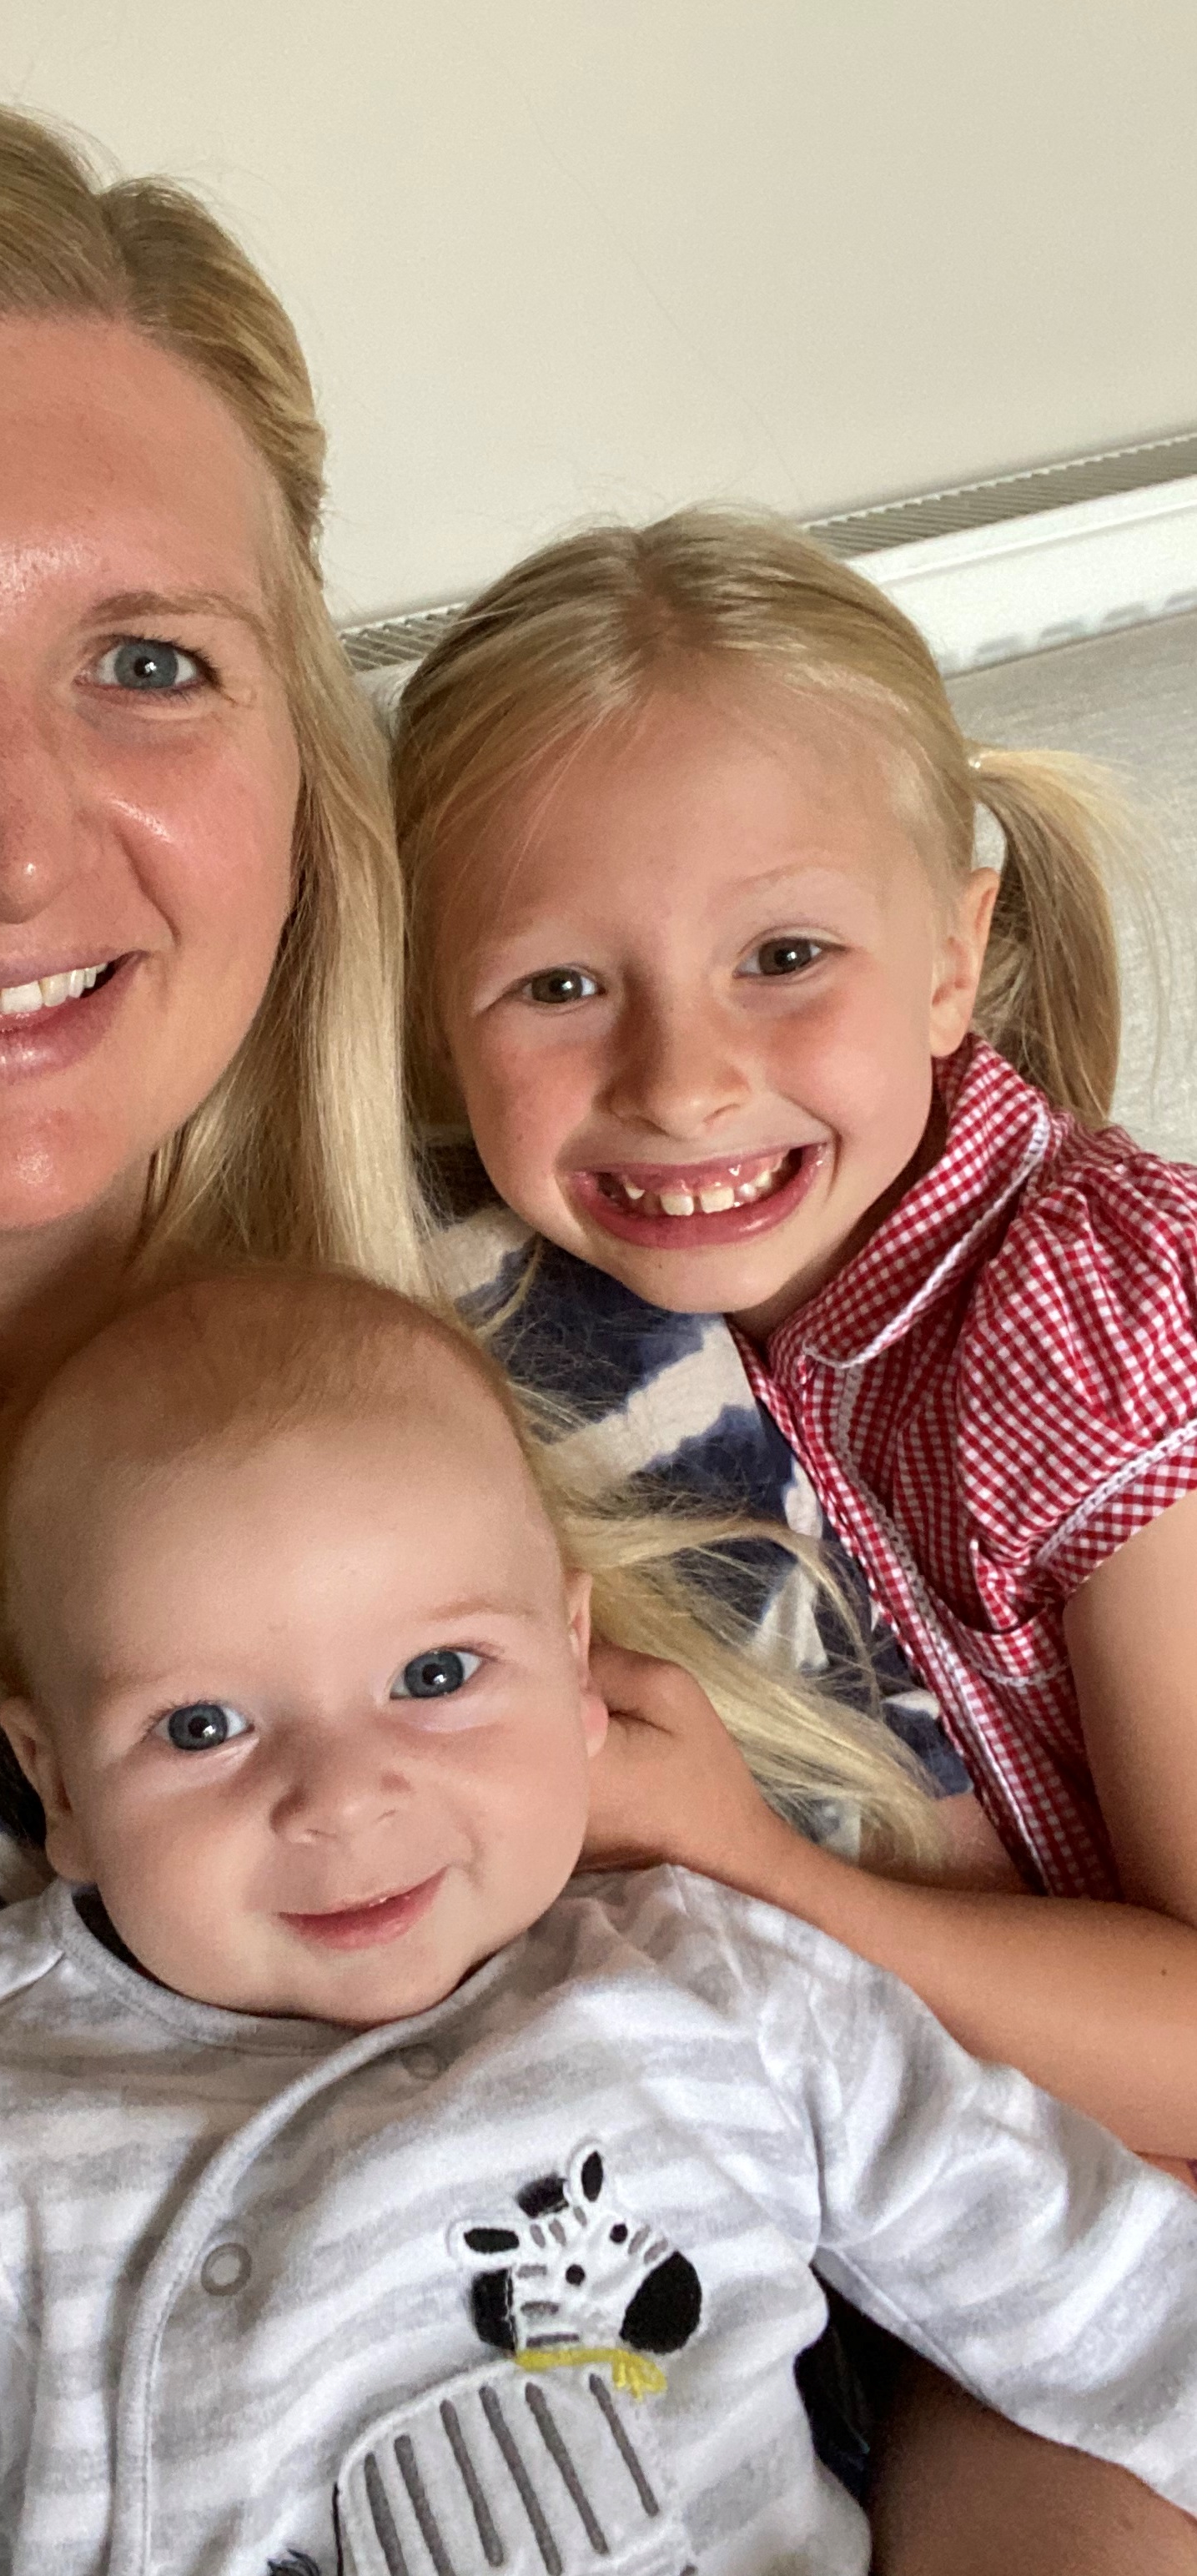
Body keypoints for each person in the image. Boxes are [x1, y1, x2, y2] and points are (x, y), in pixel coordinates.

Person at [0, 93, 1169, 2575]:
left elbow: (1019, 2270)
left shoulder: (592, 1315)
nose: (5, 832)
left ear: (299, 775)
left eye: (144, 663)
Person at [0, 1270, 1197, 2576]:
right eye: (205, 1726)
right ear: (55, 1778)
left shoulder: (715, 1982)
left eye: (438, 1676)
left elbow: (1084, 2265)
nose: (340, 1796)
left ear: (576, 1671)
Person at [390, 506, 1197, 2180]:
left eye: (783, 956)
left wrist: (758, 1863)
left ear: (949, 961)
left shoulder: (1080, 1315)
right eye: (556, 984)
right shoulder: (541, 1339)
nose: (679, 1079)